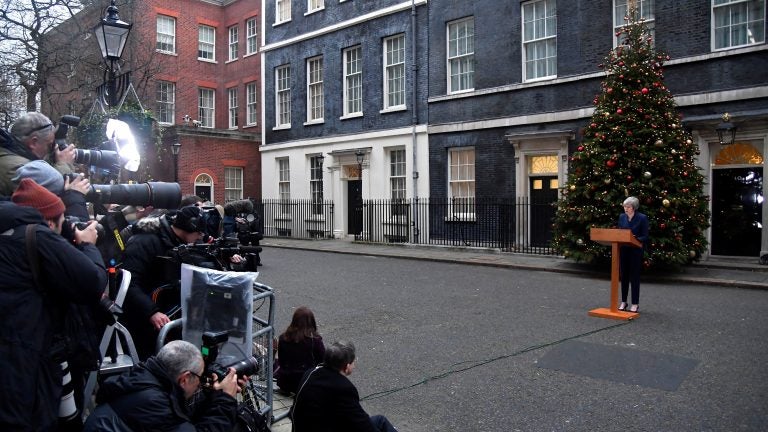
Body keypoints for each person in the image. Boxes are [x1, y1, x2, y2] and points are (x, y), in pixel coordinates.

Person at [0, 178, 107, 430]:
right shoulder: (37, 237)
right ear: (48, 222)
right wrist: (88, 246)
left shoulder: (8, 233)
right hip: (27, 363)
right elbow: (92, 282)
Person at [82, 340, 241, 431]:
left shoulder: (140, 378)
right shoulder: (156, 404)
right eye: (200, 377)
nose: (201, 383)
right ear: (185, 379)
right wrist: (225, 399)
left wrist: (212, 396)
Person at [119, 205, 208, 359]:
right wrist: (151, 312)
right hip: (142, 319)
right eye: (199, 233)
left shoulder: (177, 241)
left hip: (165, 311)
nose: (200, 237)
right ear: (188, 228)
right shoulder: (143, 242)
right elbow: (128, 283)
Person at [291, 340, 398, 432]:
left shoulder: (310, 373)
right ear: (346, 367)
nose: (354, 365)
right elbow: (364, 425)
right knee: (380, 421)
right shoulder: (344, 388)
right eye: (352, 363)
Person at [0, 112, 76, 196]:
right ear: (33, 143)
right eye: (49, 145)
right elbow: (51, 191)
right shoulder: (17, 168)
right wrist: (65, 164)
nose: (51, 150)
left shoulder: (9, 154)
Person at [276, 306, 325, 394]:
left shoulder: (283, 338)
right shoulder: (315, 341)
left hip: (285, 382)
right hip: (306, 383)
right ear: (312, 322)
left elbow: (281, 361)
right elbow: (323, 361)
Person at [618, 196, 649, 313]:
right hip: (624, 250)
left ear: (634, 207)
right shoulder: (621, 217)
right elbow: (619, 232)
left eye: (628, 207)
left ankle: (635, 304)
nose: (626, 209)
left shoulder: (642, 218)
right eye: (624, 206)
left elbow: (645, 236)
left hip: (635, 251)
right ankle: (623, 302)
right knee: (624, 276)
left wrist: (636, 238)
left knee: (634, 277)